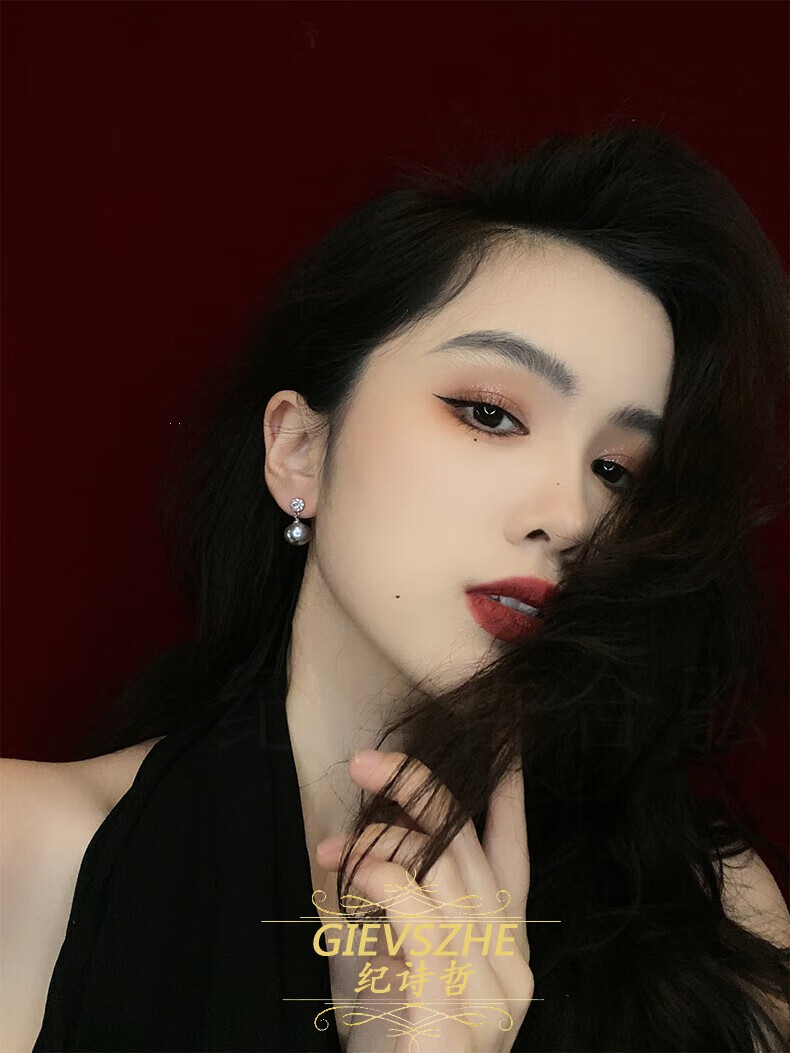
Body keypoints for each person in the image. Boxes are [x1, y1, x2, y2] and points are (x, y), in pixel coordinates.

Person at [2, 124, 788, 1052]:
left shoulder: (710, 915)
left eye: (617, 471)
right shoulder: (27, 852)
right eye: (490, 413)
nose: (571, 515)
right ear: (300, 450)